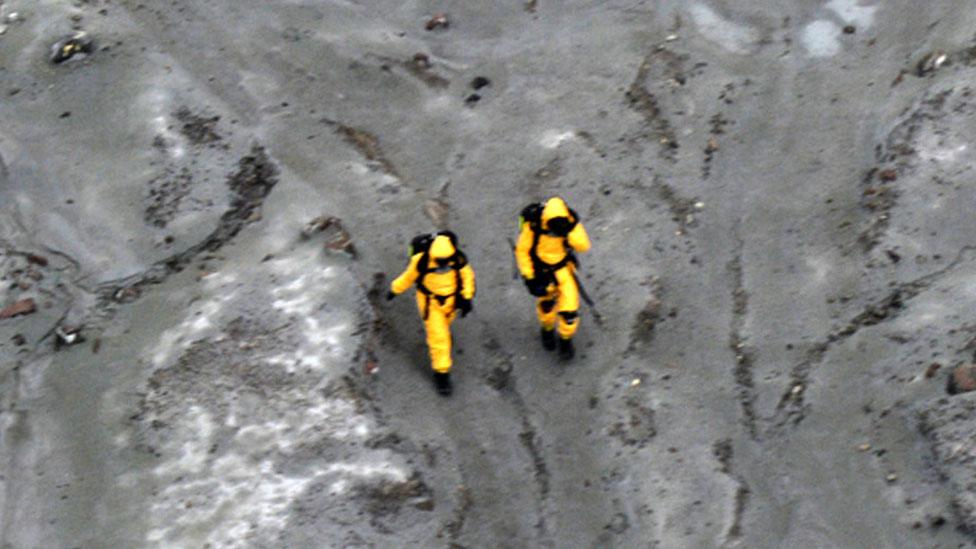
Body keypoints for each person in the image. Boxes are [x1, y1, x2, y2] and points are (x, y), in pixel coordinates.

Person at [387, 231, 475, 395]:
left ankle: (444, 342)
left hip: (451, 302)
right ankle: (442, 374)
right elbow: (408, 277)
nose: (442, 264)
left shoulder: (458, 259)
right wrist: (394, 289)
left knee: (445, 327)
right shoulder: (421, 261)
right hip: (431, 303)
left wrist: (467, 297)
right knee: (439, 338)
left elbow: (467, 277)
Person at [515, 196, 591, 359]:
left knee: (570, 311)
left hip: (564, 270)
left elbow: (583, 245)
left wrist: (570, 228)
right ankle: (547, 329)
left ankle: (565, 339)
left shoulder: (569, 223)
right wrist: (530, 278)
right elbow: (522, 251)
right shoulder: (534, 226)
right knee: (547, 305)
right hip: (543, 272)